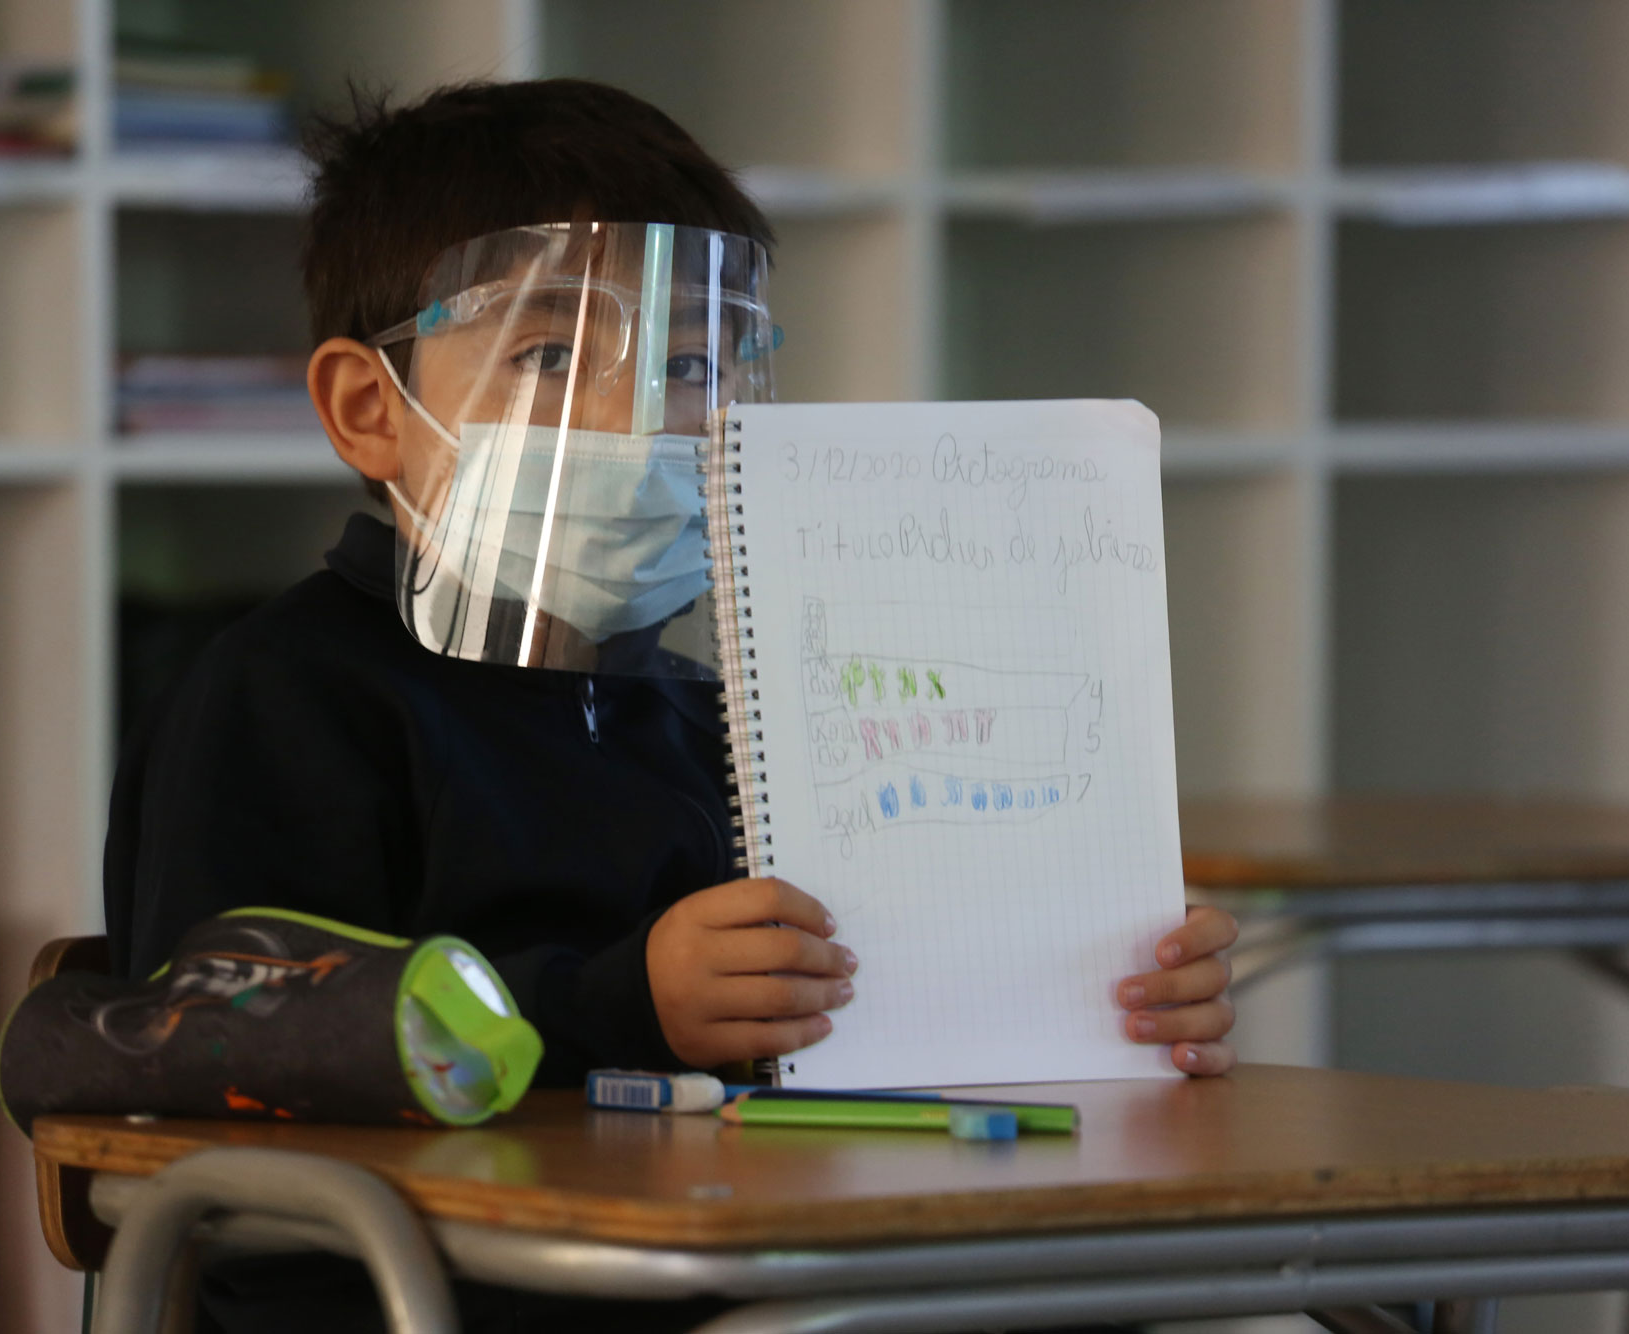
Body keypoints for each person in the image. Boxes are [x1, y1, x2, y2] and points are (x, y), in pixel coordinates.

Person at [102, 77, 1238, 1334]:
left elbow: (843, 1046)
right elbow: (229, 1055)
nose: (636, 417)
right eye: (548, 353)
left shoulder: (724, 715)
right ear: (370, 409)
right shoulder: (284, 700)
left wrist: (1093, 990)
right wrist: (624, 1004)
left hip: (758, 1271)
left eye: (695, 362)